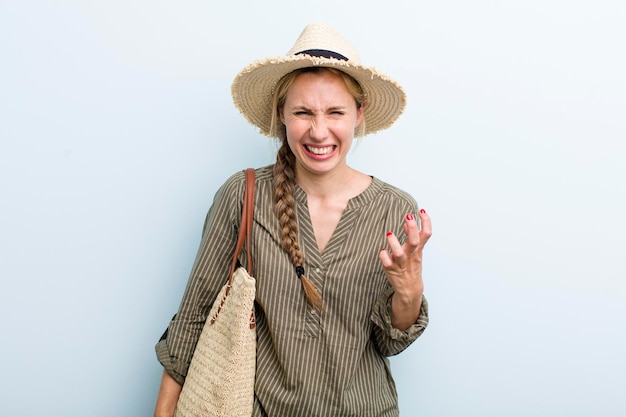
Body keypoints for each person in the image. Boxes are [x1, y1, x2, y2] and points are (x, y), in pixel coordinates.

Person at [154, 23, 432, 417]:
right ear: (282, 113)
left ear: (358, 114)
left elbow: (389, 342)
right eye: (303, 112)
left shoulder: (393, 209)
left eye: (335, 111)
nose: (319, 131)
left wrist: (409, 291)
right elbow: (194, 317)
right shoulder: (242, 195)